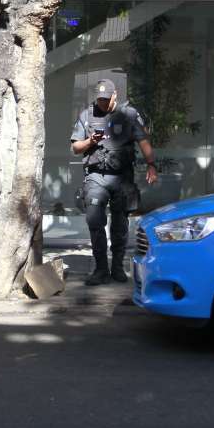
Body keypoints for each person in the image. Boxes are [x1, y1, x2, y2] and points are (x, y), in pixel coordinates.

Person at [71, 79, 158, 285]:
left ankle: (117, 267)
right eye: (99, 100)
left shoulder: (129, 115)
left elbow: (143, 140)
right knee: (94, 221)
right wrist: (90, 141)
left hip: (122, 177)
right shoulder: (87, 115)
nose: (102, 103)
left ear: (115, 95)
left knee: (120, 224)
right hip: (96, 176)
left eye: (106, 99)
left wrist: (151, 165)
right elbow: (76, 147)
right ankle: (100, 269)